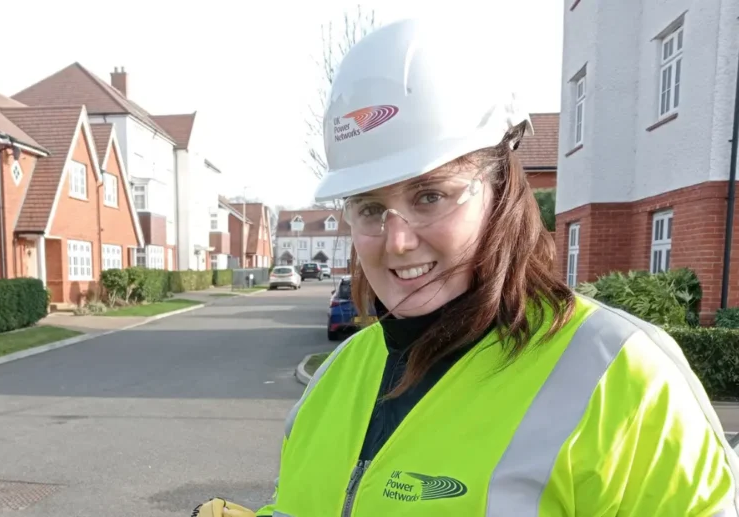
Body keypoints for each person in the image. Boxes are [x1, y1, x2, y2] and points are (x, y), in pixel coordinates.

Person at [193, 14, 739, 517]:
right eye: (370, 208)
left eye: (430, 195)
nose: (398, 241)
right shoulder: (339, 376)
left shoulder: (620, 377)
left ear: (499, 189)